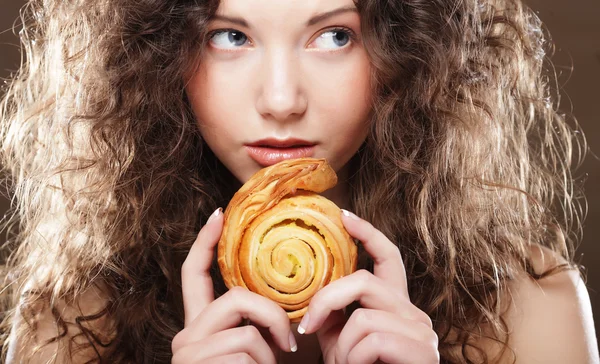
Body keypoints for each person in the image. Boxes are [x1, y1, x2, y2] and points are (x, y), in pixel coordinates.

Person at [0, 0, 597, 362]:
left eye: (335, 35)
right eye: (229, 36)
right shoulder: (74, 320)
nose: (281, 100)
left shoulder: (528, 310)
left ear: (410, 53)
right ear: (157, 56)